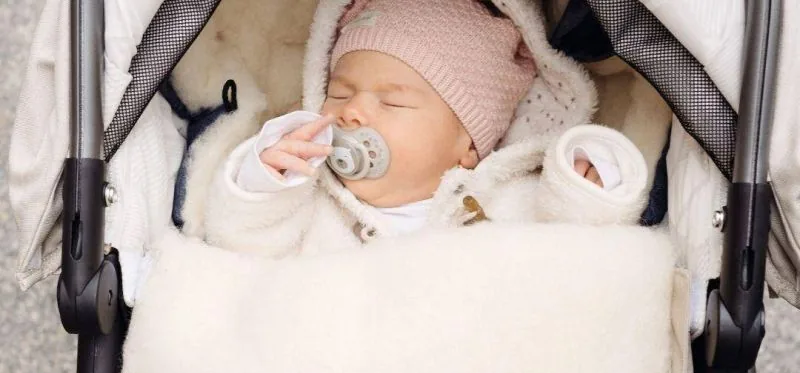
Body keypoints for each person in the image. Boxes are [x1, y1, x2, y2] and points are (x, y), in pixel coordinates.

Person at [203, 0, 649, 258]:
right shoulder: (310, 203)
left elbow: (580, 252)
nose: (352, 111)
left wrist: (589, 180)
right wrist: (264, 183)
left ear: (468, 146)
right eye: (338, 93)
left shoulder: (510, 199)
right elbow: (239, 246)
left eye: (391, 101)